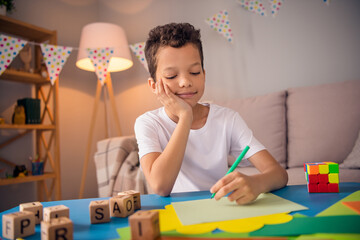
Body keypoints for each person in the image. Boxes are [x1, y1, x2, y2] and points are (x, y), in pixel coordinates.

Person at [134, 22, 288, 205]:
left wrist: (256, 183)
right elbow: (161, 186)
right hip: (176, 213)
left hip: (220, 207)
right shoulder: (148, 123)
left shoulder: (227, 119)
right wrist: (185, 117)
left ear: (204, 75)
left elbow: (279, 174)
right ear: (154, 85)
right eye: (171, 76)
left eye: (194, 72)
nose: (185, 82)